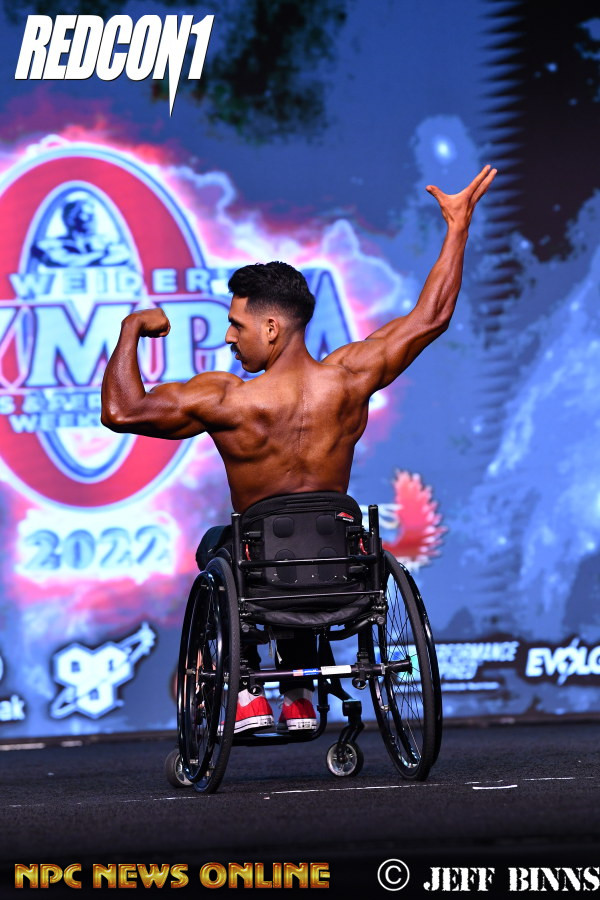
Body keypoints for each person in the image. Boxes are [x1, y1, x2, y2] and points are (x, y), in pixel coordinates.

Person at [101, 165, 496, 732]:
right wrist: (457, 226)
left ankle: (249, 693)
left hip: (262, 568)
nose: (228, 337)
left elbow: (121, 411)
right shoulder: (350, 378)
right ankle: (301, 696)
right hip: (341, 563)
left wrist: (132, 328)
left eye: (237, 325)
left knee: (227, 547)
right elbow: (431, 316)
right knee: (298, 543)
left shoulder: (227, 400)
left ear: (270, 328)